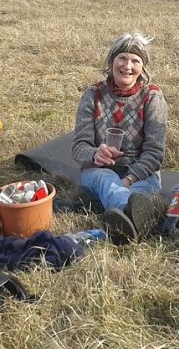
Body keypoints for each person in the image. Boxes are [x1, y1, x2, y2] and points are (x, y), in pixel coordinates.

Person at [71, 32, 168, 244]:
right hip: (99, 171)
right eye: (122, 58)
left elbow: (154, 153)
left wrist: (130, 179)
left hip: (140, 174)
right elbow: (79, 147)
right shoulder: (93, 94)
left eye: (136, 60)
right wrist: (95, 154)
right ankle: (133, 218)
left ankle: (122, 220)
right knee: (107, 181)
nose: (128, 66)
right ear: (111, 61)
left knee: (137, 195)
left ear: (143, 67)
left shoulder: (152, 97)